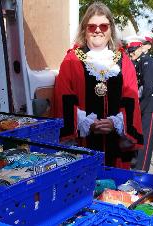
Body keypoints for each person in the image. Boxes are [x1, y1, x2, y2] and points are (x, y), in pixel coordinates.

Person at [52, 2, 144, 168]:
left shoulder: (123, 61)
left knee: (112, 190)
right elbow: (63, 99)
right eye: (92, 26)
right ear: (84, 29)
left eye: (104, 25)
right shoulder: (71, 60)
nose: (98, 30)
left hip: (115, 146)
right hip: (82, 143)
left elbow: (131, 100)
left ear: (111, 29)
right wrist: (87, 123)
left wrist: (115, 122)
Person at [126, 31, 153, 172]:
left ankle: (141, 170)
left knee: (146, 140)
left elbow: (149, 88)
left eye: (132, 52)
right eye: (129, 51)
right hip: (144, 104)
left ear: (139, 48)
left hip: (151, 105)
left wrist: (139, 108)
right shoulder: (138, 61)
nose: (130, 55)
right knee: (139, 136)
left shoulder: (148, 61)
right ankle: (135, 164)